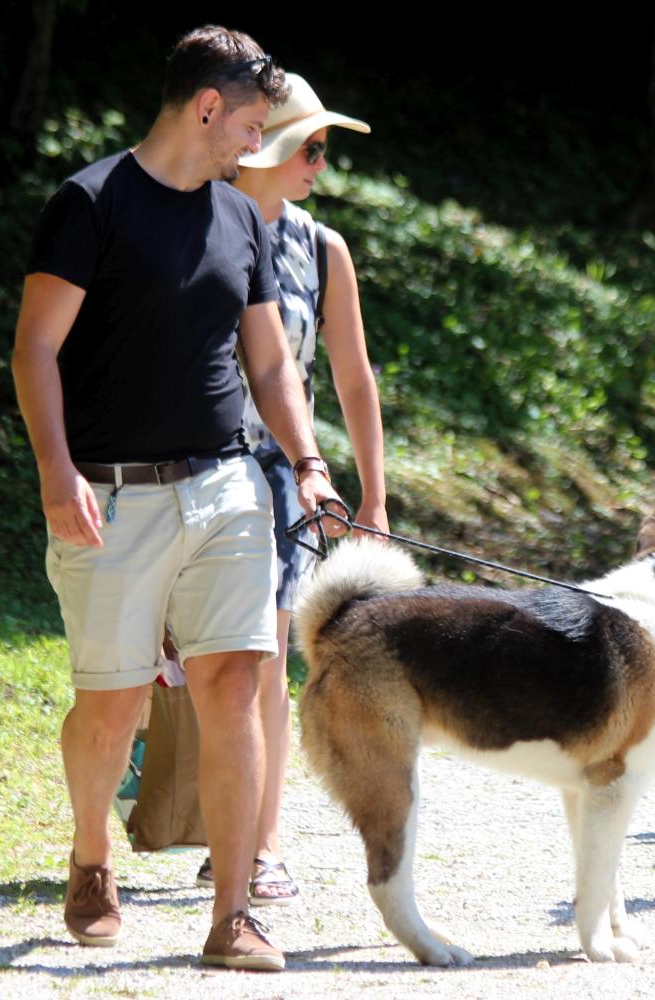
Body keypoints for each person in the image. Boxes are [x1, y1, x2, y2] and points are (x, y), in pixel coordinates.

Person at [12, 26, 347, 971]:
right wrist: (56, 471)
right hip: (110, 496)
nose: (260, 140)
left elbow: (270, 361)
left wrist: (309, 460)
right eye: (252, 121)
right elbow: (36, 349)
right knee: (110, 704)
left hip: (227, 487)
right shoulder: (91, 203)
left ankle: (233, 913)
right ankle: (91, 859)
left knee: (238, 682)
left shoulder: (240, 218)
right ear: (208, 107)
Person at [188, 72, 389, 904]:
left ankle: (258, 844)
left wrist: (372, 499)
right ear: (267, 146)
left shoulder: (320, 245)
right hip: (189, 464)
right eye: (311, 147)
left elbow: (352, 376)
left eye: (325, 151)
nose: (320, 164)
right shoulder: (194, 220)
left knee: (267, 658)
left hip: (283, 477)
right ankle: (190, 824)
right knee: (189, 663)